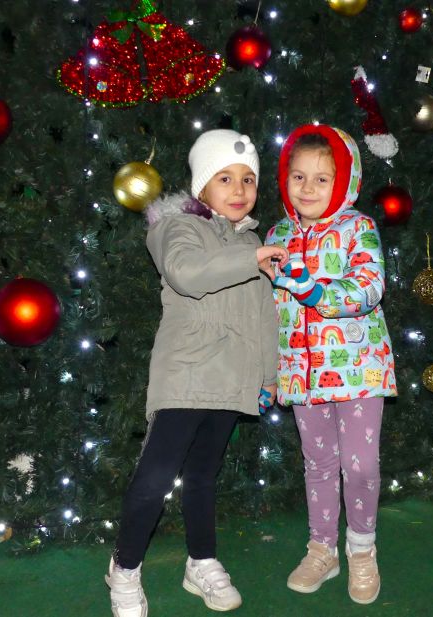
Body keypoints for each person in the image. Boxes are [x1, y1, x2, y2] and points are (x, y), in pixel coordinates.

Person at [105, 129, 289, 617]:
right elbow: (188, 274)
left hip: (232, 379)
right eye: (225, 178)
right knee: (155, 479)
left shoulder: (251, 240)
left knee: (203, 476)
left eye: (248, 179)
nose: (239, 189)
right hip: (186, 374)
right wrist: (250, 258)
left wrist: (268, 376)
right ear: (201, 185)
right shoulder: (178, 227)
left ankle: (201, 561)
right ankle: (124, 568)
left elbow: (264, 314)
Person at [264, 124, 397, 604]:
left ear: (343, 182)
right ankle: (322, 548)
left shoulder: (358, 228)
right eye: (298, 177)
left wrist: (319, 293)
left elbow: (369, 286)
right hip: (300, 374)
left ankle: (361, 549)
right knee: (319, 464)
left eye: (322, 179)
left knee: (360, 466)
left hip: (358, 369)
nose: (308, 188)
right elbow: (269, 308)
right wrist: (267, 371)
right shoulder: (277, 234)